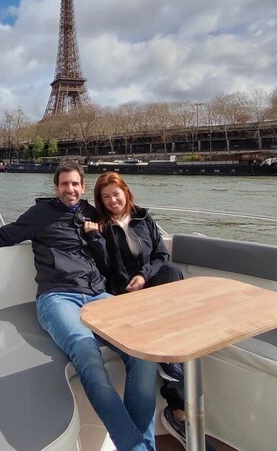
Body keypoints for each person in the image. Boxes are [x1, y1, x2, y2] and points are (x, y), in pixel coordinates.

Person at [0, 162, 157, 451]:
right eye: (64, 184)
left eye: (75, 184)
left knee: (142, 352)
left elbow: (116, 249)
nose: (70, 189)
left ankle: (142, 443)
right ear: (56, 188)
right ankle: (136, 447)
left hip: (97, 295)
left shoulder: (92, 215)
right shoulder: (40, 214)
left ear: (83, 187)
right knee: (87, 355)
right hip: (57, 297)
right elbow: (6, 234)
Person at [84, 171, 195, 450]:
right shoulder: (102, 227)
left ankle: (172, 363)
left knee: (171, 270)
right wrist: (95, 239)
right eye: (105, 197)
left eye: (116, 193)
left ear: (126, 191)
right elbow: (105, 268)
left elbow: (161, 256)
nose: (112, 201)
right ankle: (175, 393)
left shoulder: (145, 219)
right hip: (124, 294)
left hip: (149, 287)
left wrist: (144, 276)